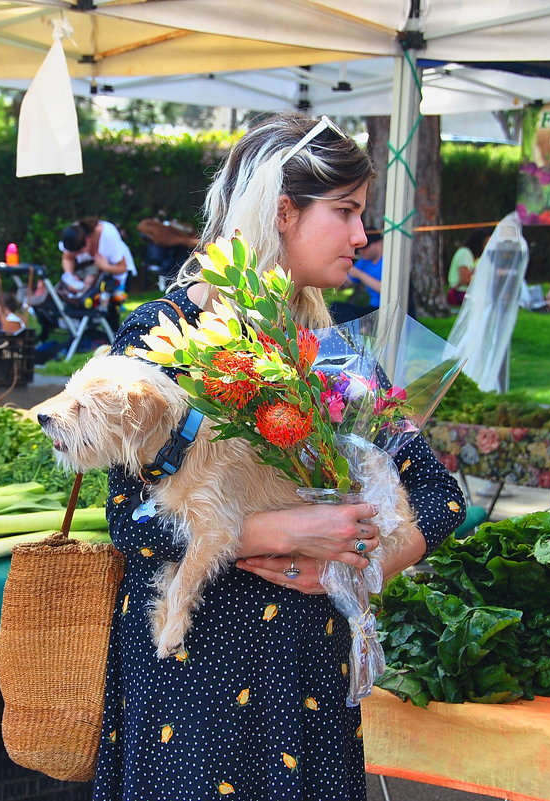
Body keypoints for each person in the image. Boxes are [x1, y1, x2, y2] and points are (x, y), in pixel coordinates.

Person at [95, 113, 466, 801]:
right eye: (347, 211)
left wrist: (346, 565)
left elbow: (442, 499)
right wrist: (286, 533)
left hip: (308, 684)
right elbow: (129, 518)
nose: (362, 236)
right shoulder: (166, 336)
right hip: (193, 684)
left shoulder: (333, 356)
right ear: (283, 211)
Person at [59, 216, 136, 329]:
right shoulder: (74, 234)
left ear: (87, 241)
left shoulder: (108, 236)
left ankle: (112, 337)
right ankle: (90, 335)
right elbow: (67, 257)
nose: (78, 257)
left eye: (79, 253)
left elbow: (122, 267)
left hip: (118, 275)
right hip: (98, 275)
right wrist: (70, 277)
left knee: (112, 311)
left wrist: (105, 267)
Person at [447, 228, 489, 306]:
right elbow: (464, 280)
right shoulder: (465, 253)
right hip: (462, 293)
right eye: (486, 243)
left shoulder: (478, 258)